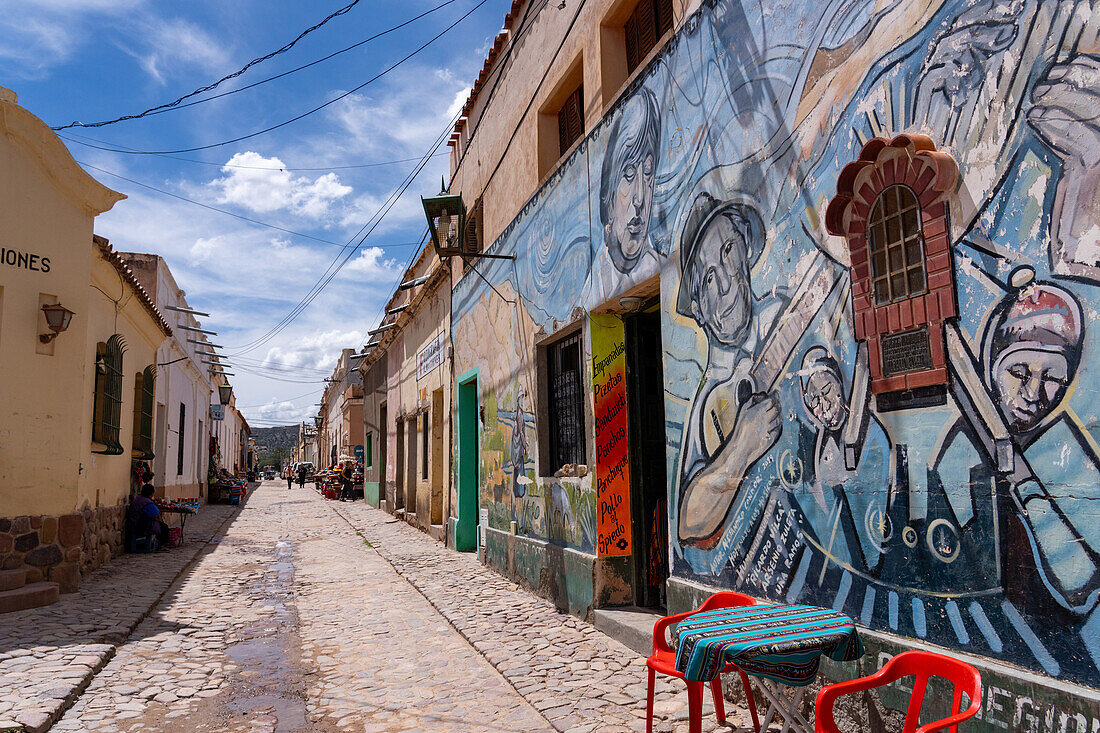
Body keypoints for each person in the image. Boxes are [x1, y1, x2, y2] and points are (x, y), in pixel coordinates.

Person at [675, 192, 786, 548]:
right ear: (699, 309)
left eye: (727, 251)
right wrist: (741, 446)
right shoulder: (709, 400)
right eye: (708, 278)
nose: (725, 284)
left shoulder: (786, 315)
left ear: (745, 247)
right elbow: (689, 522)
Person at [126, 484, 169, 551]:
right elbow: (156, 515)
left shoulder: (137, 499)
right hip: (141, 526)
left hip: (133, 523)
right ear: (151, 493)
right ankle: (161, 545)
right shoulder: (147, 502)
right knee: (163, 527)